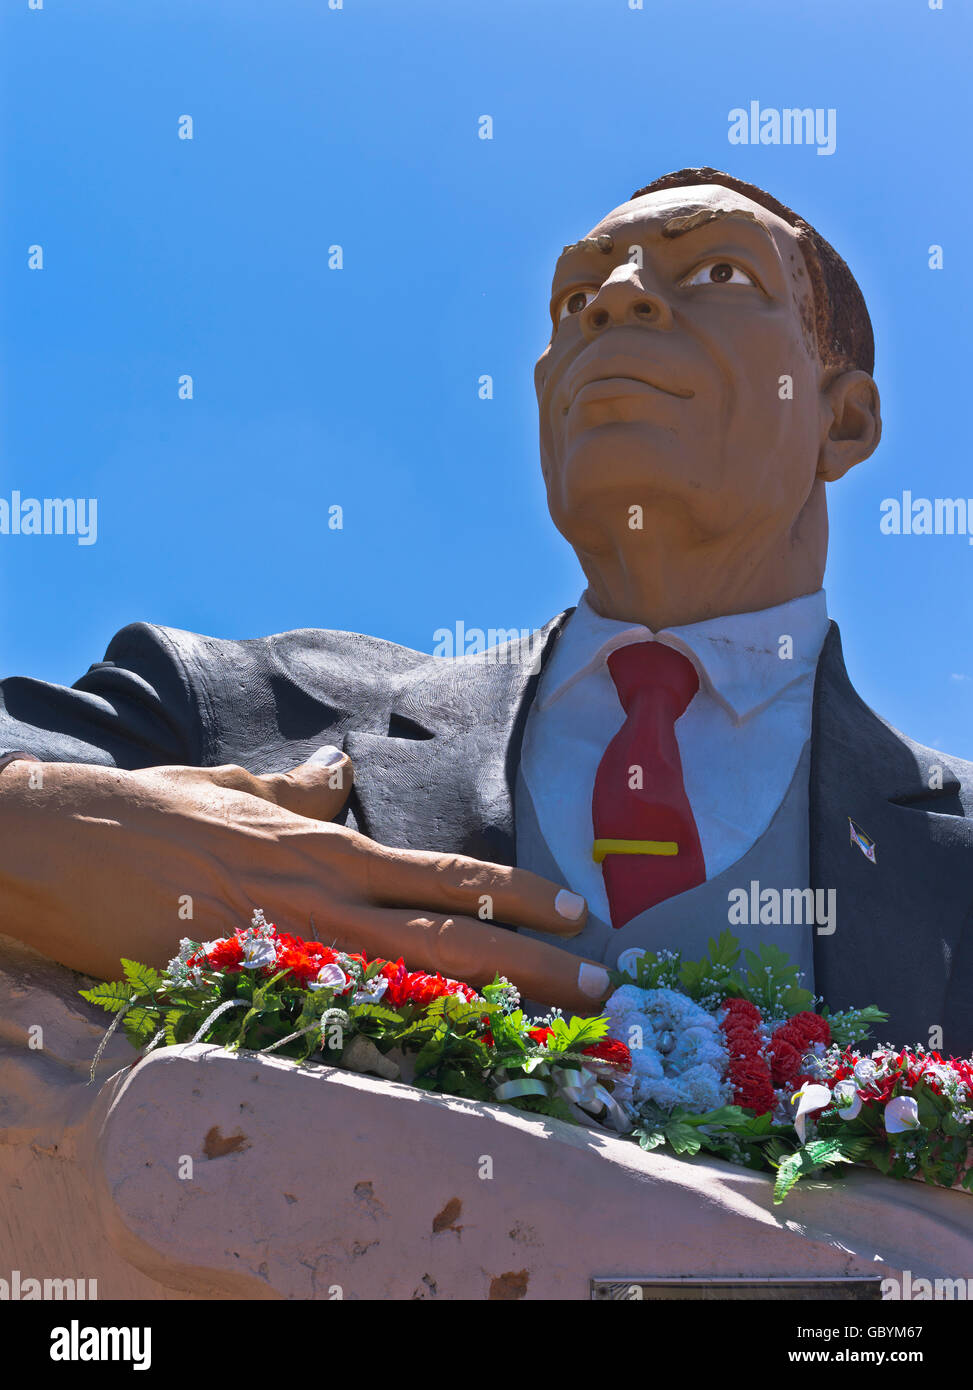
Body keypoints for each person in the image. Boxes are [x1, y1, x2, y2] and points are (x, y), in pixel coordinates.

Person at [2, 168, 970, 1049]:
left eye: (717, 272)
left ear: (841, 420)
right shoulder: (244, 711)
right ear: (545, 393)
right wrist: (96, 848)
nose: (617, 299)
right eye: (575, 297)